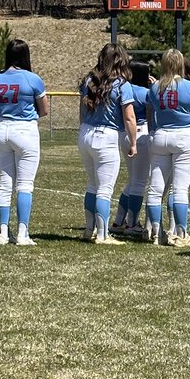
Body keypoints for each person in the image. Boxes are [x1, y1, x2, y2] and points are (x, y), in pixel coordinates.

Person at [145, 48, 190, 247]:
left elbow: (149, 114)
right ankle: (181, 234)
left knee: (155, 189)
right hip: (183, 135)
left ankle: (156, 233)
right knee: (179, 189)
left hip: (160, 135)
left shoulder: (154, 88)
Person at [78, 43, 138, 245]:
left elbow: (81, 111)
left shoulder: (88, 80)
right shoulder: (122, 84)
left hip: (86, 132)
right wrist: (133, 142)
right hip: (106, 135)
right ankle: (103, 235)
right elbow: (129, 118)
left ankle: (89, 229)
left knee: (92, 184)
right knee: (105, 188)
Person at [0, 39, 49, 246]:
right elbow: (44, 110)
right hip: (25, 129)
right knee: (25, 185)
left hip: (3, 128)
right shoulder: (33, 78)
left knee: (4, 183)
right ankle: (23, 233)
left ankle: (3, 233)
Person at [111, 59, 154, 235]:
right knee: (139, 182)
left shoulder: (124, 87)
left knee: (132, 180)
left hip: (125, 134)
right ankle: (132, 223)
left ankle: (119, 221)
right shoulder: (146, 92)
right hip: (141, 132)